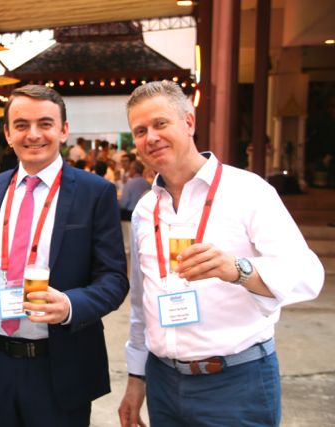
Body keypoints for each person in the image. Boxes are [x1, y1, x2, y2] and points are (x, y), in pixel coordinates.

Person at [118, 80, 324, 427]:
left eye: (160, 123)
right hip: (164, 383)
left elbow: (308, 276)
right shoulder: (145, 209)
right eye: (140, 131)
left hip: (236, 383)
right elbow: (142, 305)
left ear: (189, 122)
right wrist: (137, 377)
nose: (150, 137)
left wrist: (238, 269)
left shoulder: (247, 191)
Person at [0, 85, 129, 427]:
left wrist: (70, 305)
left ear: (64, 130)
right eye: (21, 125)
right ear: (7, 133)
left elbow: (114, 280)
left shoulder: (95, 193)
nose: (33, 134)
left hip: (60, 366)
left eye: (45, 123)